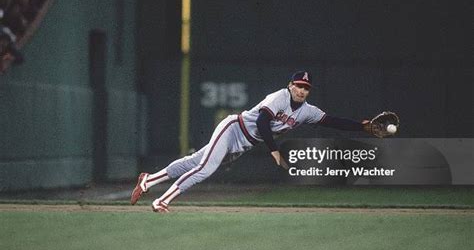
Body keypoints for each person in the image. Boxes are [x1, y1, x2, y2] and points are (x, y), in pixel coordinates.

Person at [131, 71, 372, 212]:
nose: (301, 90)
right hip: (234, 129)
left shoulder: (307, 111)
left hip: (243, 144)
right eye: (298, 85)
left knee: (195, 161)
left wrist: (362, 126)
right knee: (205, 168)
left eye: (306, 88)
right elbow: (262, 123)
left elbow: (332, 121)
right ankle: (162, 201)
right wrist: (274, 150)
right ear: (290, 86)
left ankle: (149, 180)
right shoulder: (279, 97)